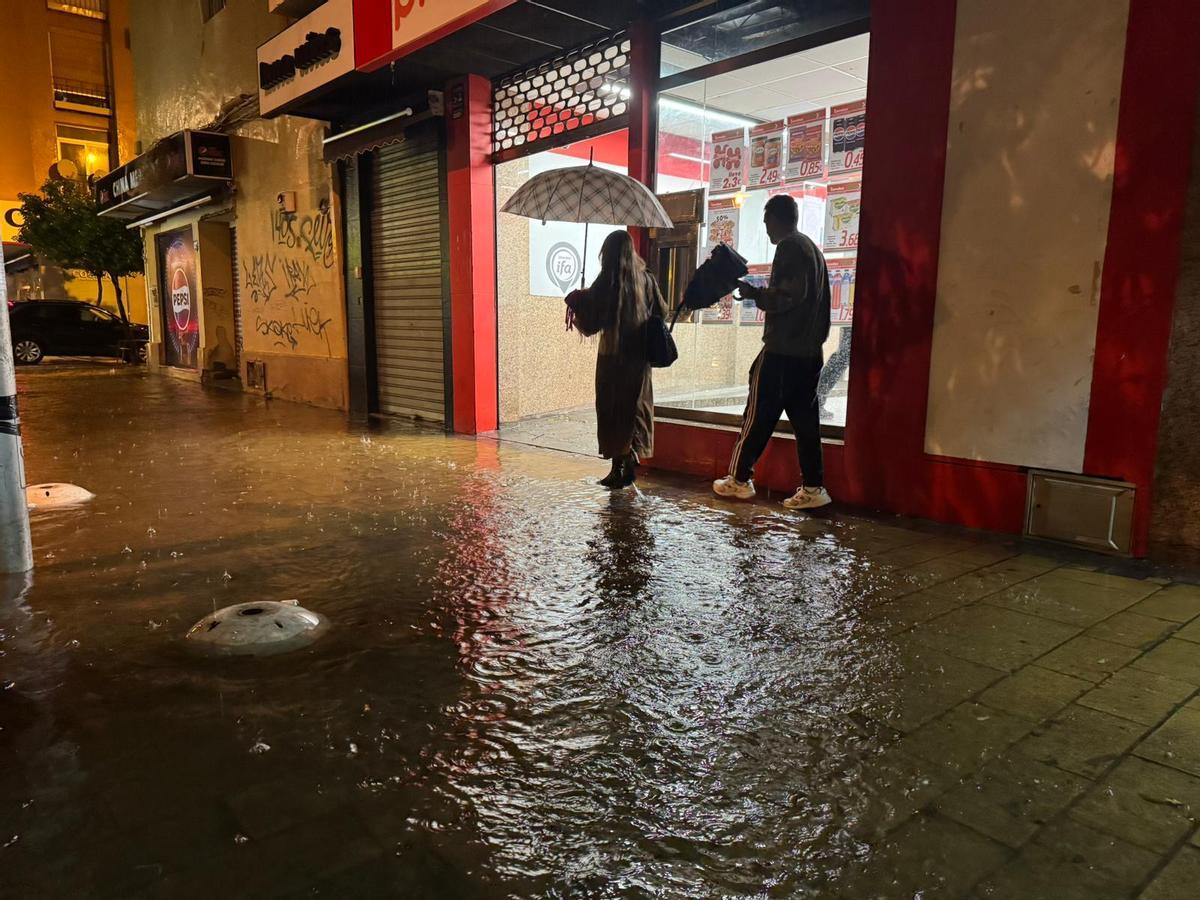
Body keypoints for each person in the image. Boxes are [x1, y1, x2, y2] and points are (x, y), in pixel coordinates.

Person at [713, 194, 832, 510]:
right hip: (809, 354)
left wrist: (756, 295)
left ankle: (738, 479)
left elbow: (787, 296)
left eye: (767, 222)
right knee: (806, 424)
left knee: (757, 415)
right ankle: (814, 487)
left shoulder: (790, 247)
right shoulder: (813, 250)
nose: (766, 229)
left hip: (782, 351)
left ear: (778, 219)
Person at [565, 230, 668, 488]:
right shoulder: (647, 279)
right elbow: (663, 311)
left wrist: (579, 302)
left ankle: (617, 468)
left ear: (607, 254)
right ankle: (630, 461)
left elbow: (591, 324)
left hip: (613, 359)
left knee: (613, 412)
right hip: (640, 358)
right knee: (635, 409)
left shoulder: (607, 281)